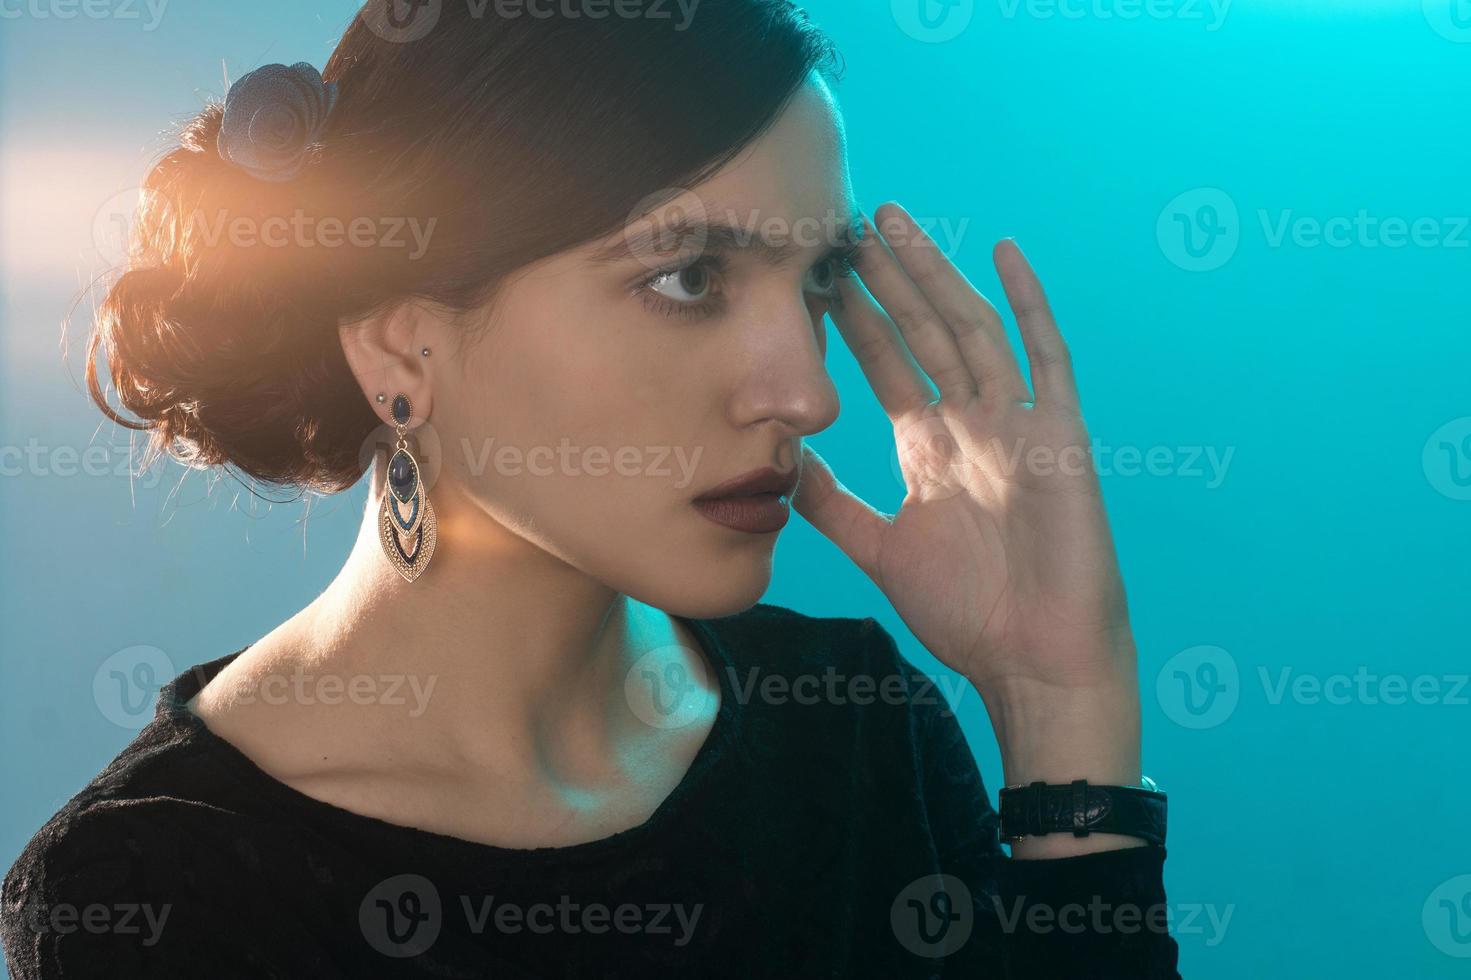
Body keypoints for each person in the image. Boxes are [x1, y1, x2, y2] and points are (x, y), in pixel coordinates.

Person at [1, 2, 1180, 976]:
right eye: (687, 276)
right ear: (402, 347)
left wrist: (1057, 698)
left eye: (815, 277)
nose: (809, 396)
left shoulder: (855, 721)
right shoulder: (161, 884)